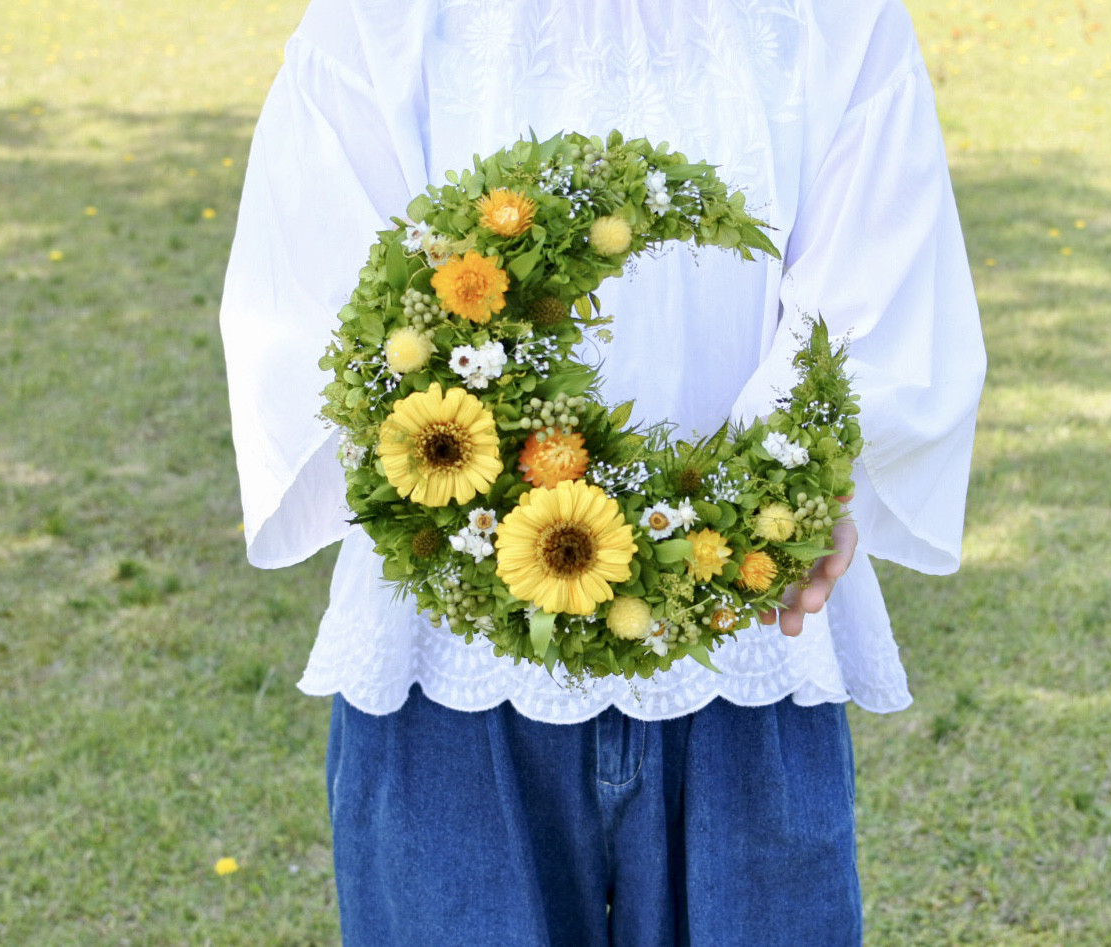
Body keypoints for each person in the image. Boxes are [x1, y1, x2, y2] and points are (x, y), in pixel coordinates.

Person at [220, 0, 986, 943]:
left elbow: (875, 276)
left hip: (748, 638)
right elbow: (323, 299)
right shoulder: (385, 18)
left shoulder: (833, 15)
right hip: (449, 656)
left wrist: (769, 499)